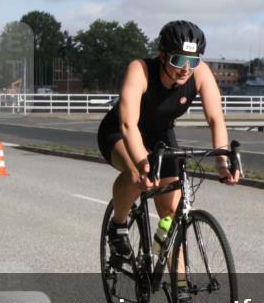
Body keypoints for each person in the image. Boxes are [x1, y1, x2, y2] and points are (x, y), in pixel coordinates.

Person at [98, 21, 239, 275]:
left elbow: (216, 119)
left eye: (192, 61)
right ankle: (117, 227)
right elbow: (128, 124)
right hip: (120, 132)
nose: (186, 68)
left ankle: (180, 287)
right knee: (136, 175)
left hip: (160, 135)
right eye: (178, 60)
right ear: (163, 56)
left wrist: (222, 161)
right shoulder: (140, 69)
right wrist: (142, 162)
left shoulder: (201, 73)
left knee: (172, 214)